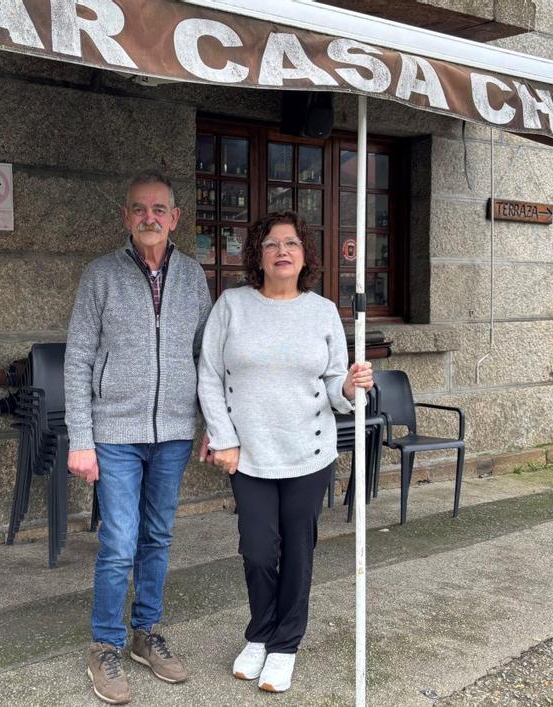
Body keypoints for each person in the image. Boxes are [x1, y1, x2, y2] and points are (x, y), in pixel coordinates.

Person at [197, 210, 373, 694]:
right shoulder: (231, 306)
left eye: (291, 243)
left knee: (298, 551)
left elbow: (336, 389)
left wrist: (352, 385)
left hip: (308, 452)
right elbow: (210, 376)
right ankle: (260, 632)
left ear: (303, 255)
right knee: (256, 551)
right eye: (272, 243)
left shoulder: (322, 312)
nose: (281, 251)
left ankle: (284, 644)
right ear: (257, 254)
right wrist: (224, 438)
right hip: (248, 453)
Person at [64, 170, 212, 705]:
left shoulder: (194, 277)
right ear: (126, 217)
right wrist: (81, 438)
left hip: (173, 432)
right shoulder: (99, 275)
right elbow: (79, 357)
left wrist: (214, 426)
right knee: (119, 542)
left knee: (158, 537)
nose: (149, 218)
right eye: (139, 209)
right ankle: (105, 642)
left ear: (175, 219)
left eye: (159, 210)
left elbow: (208, 357)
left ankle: (146, 633)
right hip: (115, 434)